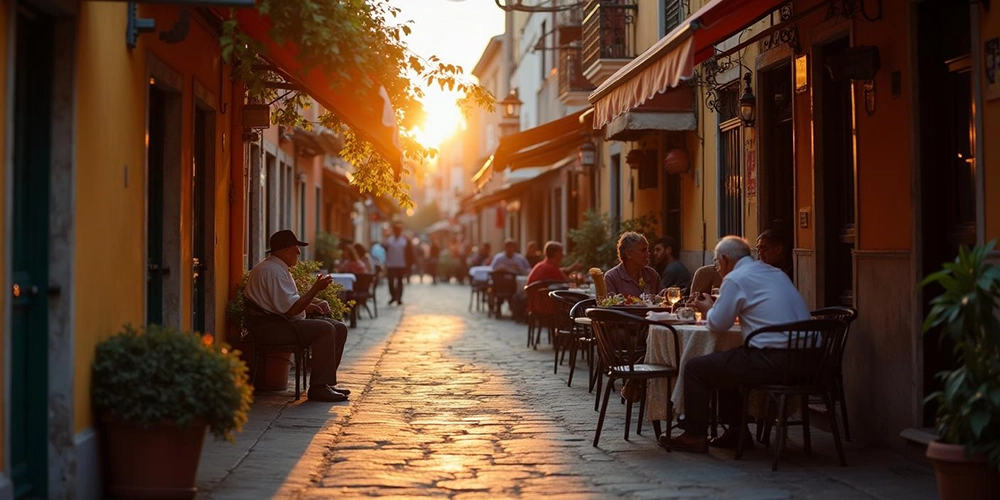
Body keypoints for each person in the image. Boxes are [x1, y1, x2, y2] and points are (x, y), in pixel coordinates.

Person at [666, 236, 811, 453]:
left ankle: (694, 434)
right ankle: (736, 432)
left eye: (716, 263)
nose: (717, 269)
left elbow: (718, 323)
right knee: (727, 358)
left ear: (725, 259)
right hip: (811, 362)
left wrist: (707, 308)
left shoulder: (735, 278)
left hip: (774, 362)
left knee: (696, 368)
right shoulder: (775, 273)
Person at [244, 230, 350, 403]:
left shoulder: (277, 268)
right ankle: (318, 388)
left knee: (339, 328)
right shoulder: (273, 271)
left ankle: (325, 383)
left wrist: (316, 303)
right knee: (325, 329)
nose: (299, 253)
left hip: (279, 323)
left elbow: (288, 302)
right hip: (271, 328)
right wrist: (315, 289)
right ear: (286, 251)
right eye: (296, 249)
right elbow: (291, 309)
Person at [525, 241, 581, 316]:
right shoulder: (552, 268)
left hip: (535, 304)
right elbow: (567, 282)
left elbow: (560, 272)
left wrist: (569, 269)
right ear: (555, 253)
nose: (563, 255)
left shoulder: (543, 265)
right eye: (561, 252)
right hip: (546, 306)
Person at [603, 231, 660, 297]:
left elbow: (662, 298)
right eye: (643, 250)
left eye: (647, 250)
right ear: (629, 254)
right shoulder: (611, 277)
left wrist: (667, 292)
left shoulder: (651, 274)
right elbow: (609, 305)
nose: (648, 254)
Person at [384, 222, 412, 305]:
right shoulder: (389, 240)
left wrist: (408, 265)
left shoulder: (405, 240)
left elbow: (409, 253)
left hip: (401, 264)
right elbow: (385, 250)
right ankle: (393, 296)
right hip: (391, 264)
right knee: (391, 282)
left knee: (400, 281)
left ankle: (399, 298)